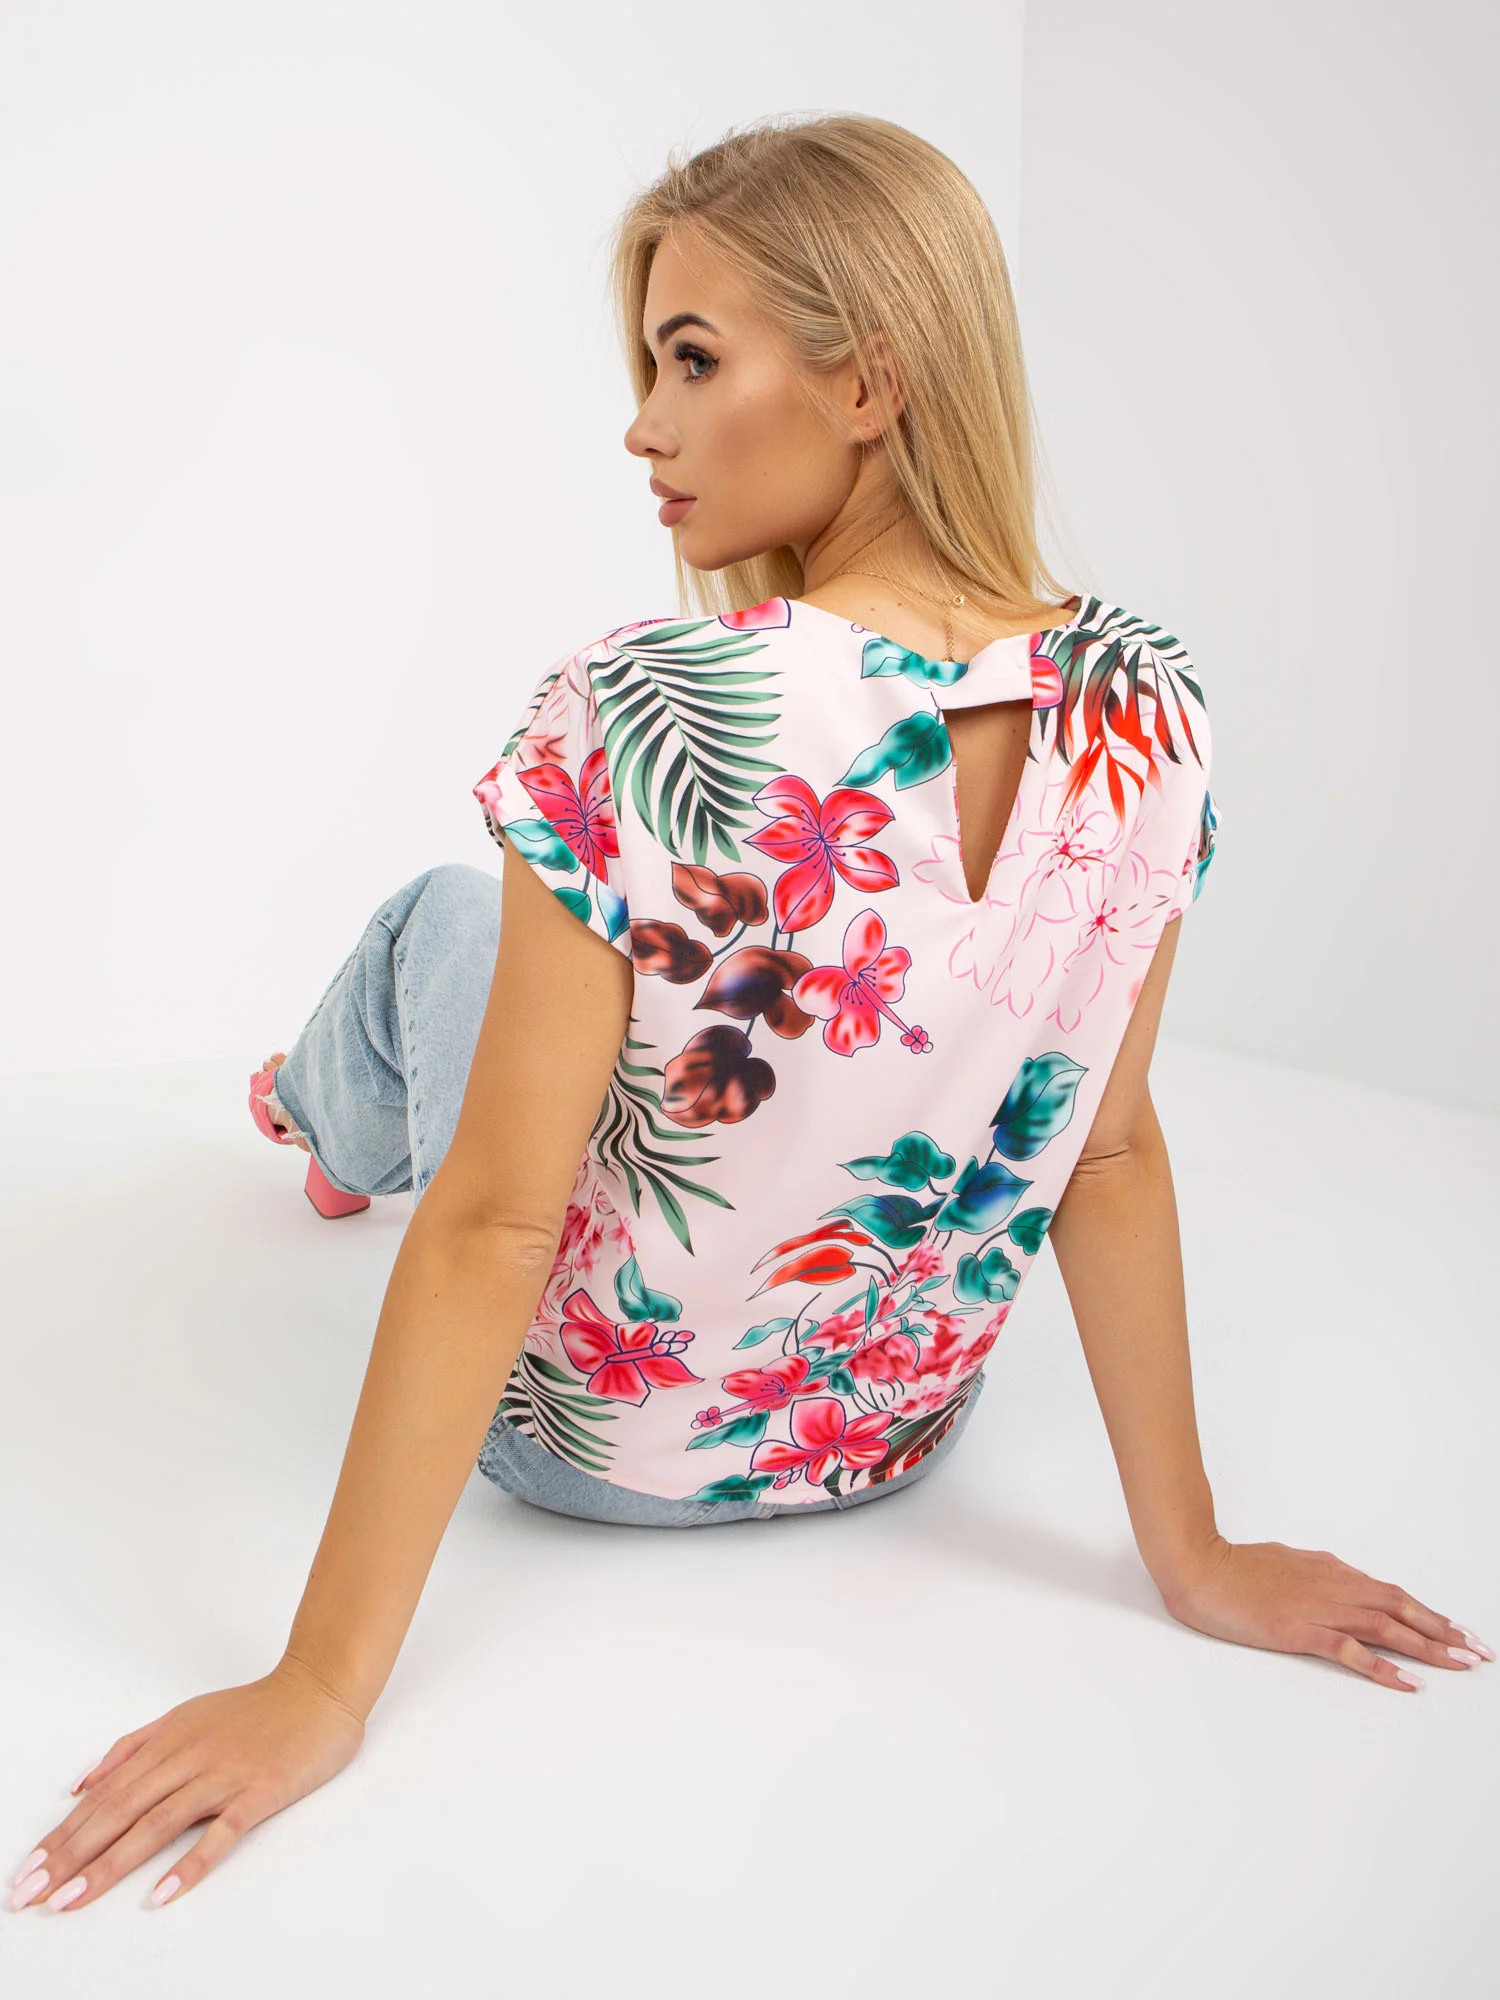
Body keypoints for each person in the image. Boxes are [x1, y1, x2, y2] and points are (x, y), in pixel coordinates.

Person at [13, 110, 1488, 1922]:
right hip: (888, 1439)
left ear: (870, 380)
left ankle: (325, 1120)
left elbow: (492, 1226)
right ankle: (334, 1111)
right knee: (561, 967)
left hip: (595, 1459)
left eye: (694, 360)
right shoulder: (1150, 706)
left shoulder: (635, 708)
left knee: (439, 923)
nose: (645, 425)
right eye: (650, 366)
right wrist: (1195, 1556)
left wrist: (318, 1689)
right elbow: (1104, 1150)